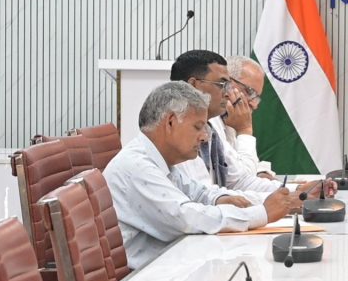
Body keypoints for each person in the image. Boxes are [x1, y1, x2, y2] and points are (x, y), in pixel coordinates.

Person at [104, 82, 292, 269]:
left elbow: (198, 192)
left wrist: (221, 199)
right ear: (170, 122)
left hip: (165, 270)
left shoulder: (158, 160)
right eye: (197, 127)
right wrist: (261, 213)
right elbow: (187, 219)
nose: (204, 137)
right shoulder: (137, 167)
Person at [169, 50, 335, 202]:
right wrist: (245, 129)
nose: (226, 92)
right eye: (222, 84)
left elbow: (238, 180)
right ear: (193, 85)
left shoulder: (210, 126)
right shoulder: (177, 130)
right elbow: (206, 197)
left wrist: (296, 190)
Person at [221, 56, 274, 178]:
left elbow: (238, 163)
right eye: (250, 92)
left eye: (256, 97)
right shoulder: (210, 119)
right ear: (227, 81)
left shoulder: (232, 118)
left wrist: (260, 171)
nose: (254, 105)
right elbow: (243, 179)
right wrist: (245, 129)